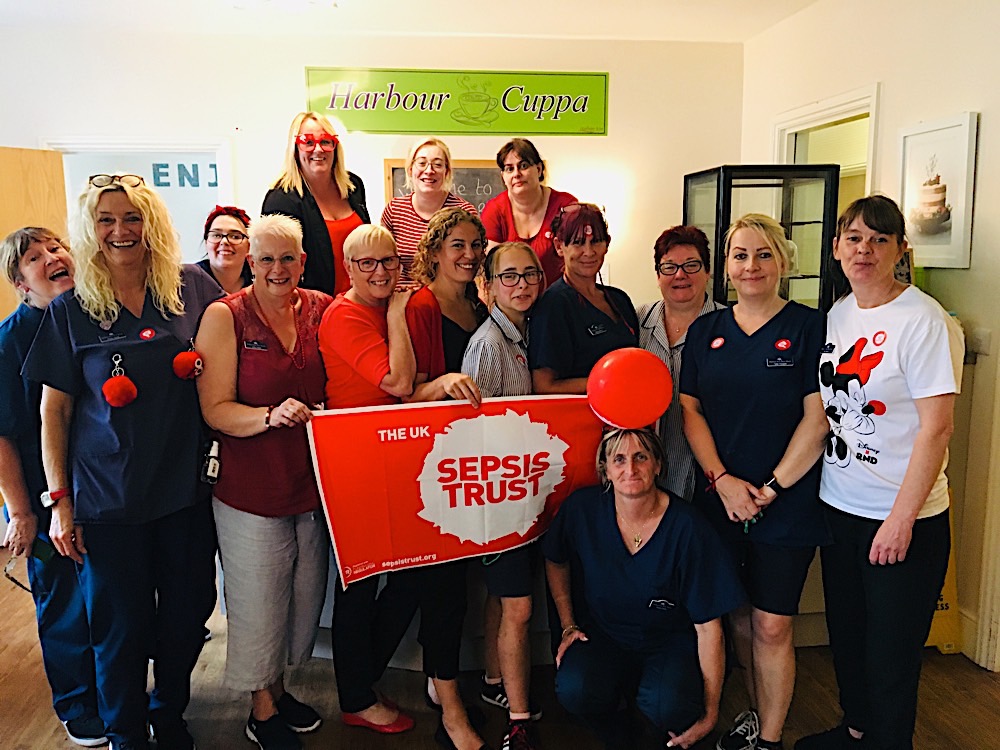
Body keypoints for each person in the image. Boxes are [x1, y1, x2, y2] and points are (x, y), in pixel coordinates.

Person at [23, 174, 220, 750]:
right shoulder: (72, 309)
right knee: (119, 629)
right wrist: (59, 504)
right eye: (106, 220)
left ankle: (168, 712)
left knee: (186, 616)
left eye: (132, 217)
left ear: (151, 225)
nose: (120, 230)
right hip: (108, 501)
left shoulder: (190, 288)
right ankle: (125, 732)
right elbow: (53, 412)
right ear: (91, 230)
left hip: (184, 492)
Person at [796, 196, 964, 750]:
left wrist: (900, 520)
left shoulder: (924, 321)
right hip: (840, 507)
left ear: (900, 250)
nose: (864, 250)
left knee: (891, 655)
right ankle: (856, 731)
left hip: (901, 520)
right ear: (837, 247)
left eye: (879, 240)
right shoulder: (839, 314)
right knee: (848, 638)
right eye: (854, 238)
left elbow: (937, 429)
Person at [679, 213, 830, 750]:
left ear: (783, 261)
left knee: (773, 624)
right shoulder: (706, 332)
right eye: (741, 255)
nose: (752, 266)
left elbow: (818, 419)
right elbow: (690, 410)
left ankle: (769, 739)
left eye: (764, 254)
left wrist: (770, 488)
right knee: (738, 617)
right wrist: (722, 480)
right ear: (726, 266)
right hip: (720, 499)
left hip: (786, 502)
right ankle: (753, 713)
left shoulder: (811, 328)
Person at [195, 214, 332, 750]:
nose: (278, 268)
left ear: (303, 261)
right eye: (267, 259)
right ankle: (261, 708)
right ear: (251, 262)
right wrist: (268, 416)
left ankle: (278, 687)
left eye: (288, 258)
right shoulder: (224, 316)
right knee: (258, 600)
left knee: (301, 598)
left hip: (312, 485)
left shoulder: (322, 308)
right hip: (250, 488)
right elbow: (214, 408)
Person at [544, 427, 745, 750]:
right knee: (575, 688)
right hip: (605, 636)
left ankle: (654, 727)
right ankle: (619, 730)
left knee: (670, 706)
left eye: (641, 457)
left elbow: (709, 628)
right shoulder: (583, 509)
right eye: (619, 459)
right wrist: (568, 624)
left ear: (658, 465)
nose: (630, 469)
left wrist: (711, 713)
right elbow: (555, 559)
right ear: (605, 469)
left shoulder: (688, 528)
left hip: (669, 643)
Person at [0, 227, 105, 747]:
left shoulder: (92, 317)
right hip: (41, 502)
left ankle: (112, 693)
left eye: (56, 248)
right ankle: (77, 703)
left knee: (105, 599)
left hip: (101, 492)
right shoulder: (9, 341)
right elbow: (2, 435)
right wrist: (21, 512)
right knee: (63, 603)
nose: (52, 258)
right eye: (35, 258)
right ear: (21, 284)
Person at [317, 224, 416, 736]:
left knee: (410, 576)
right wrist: (397, 314)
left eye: (389, 261)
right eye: (368, 263)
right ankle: (356, 695)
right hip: (355, 465)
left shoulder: (385, 307)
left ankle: (363, 680)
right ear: (349, 268)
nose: (381, 272)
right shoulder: (347, 315)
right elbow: (399, 382)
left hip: (392, 461)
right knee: (357, 585)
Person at [401, 206, 489, 750]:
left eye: (476, 245)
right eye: (458, 245)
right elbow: (407, 392)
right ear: (434, 251)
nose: (469, 255)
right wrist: (445, 383)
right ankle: (451, 710)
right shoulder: (422, 306)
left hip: (473, 462)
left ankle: (443, 684)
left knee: (458, 589)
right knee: (443, 590)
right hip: (435, 466)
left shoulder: (478, 304)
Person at [461, 241, 545, 750]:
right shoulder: (489, 343)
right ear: (487, 285)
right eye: (508, 276)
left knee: (502, 596)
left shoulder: (528, 332)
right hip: (501, 497)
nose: (521, 284)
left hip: (526, 490)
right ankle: (519, 718)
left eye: (529, 274)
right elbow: (472, 429)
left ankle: (494, 680)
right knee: (518, 605)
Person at [637, 226, 723, 501]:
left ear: (707, 272)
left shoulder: (730, 327)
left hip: (712, 473)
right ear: (658, 275)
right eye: (669, 267)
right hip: (644, 472)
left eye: (691, 265)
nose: (680, 275)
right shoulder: (635, 322)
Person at [529, 202, 638, 395]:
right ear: (559, 246)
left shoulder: (619, 300)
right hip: (581, 413)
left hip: (628, 410)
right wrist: (608, 382)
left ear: (607, 244)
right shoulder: (554, 305)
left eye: (596, 241)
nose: (588, 252)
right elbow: (544, 386)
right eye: (578, 243)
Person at [262, 111, 370, 297]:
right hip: (314, 305)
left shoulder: (353, 186)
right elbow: (277, 269)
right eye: (308, 142)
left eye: (326, 141)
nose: (318, 149)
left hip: (361, 301)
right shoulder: (280, 200)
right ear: (295, 148)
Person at [480, 139, 577, 288]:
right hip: (511, 297)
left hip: (559, 297)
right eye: (509, 169)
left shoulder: (565, 206)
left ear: (539, 169)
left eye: (523, 166)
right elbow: (491, 269)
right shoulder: (494, 210)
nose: (516, 174)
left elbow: (577, 260)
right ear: (503, 176)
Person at [381, 137, 477, 286]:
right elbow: (384, 262)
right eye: (422, 163)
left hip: (448, 296)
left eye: (437, 164)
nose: (429, 171)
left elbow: (473, 263)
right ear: (410, 169)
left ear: (446, 171)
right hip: (402, 295)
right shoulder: (394, 211)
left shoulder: (464, 212)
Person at [197, 204, 253, 294]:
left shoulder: (260, 282)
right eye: (216, 235)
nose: (224, 241)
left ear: (249, 245)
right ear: (206, 242)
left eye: (235, 236)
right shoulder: (190, 280)